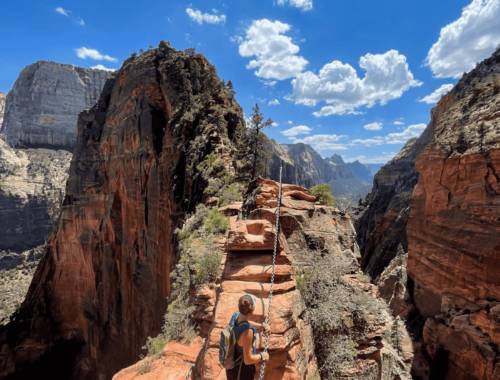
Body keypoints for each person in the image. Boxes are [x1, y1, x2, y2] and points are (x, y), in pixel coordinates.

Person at [226, 294, 270, 380]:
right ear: (252, 309)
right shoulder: (247, 332)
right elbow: (248, 360)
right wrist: (263, 356)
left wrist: (261, 326)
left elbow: (245, 322)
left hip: (231, 367)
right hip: (241, 372)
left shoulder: (236, 316)